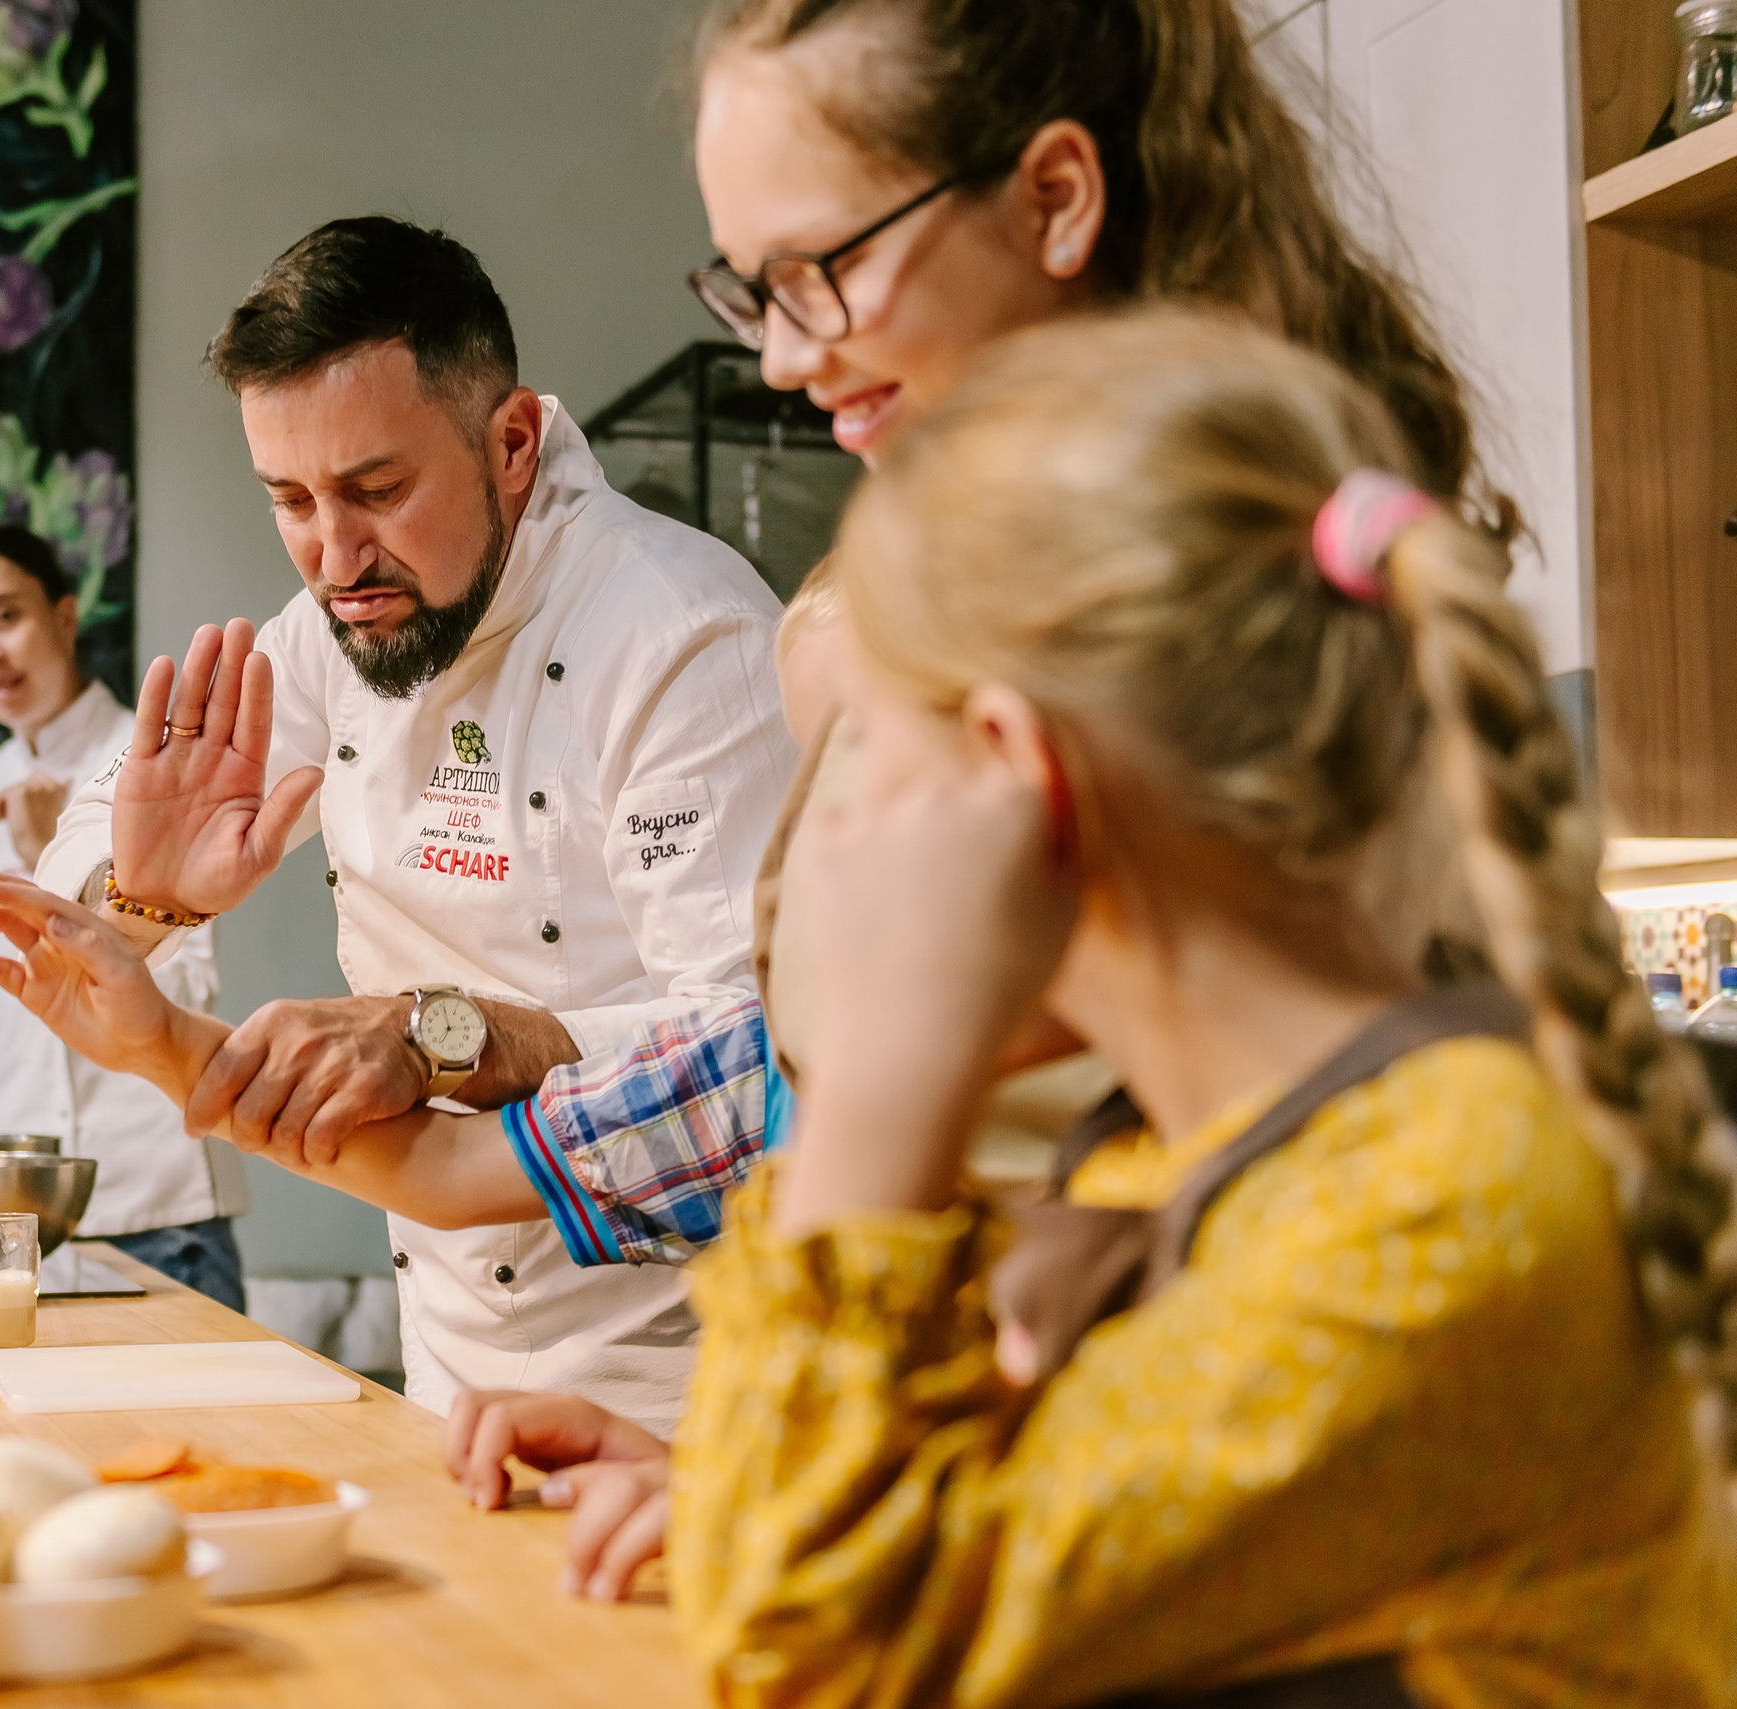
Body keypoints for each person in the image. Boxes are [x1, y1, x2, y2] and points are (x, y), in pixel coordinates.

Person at [430, 0, 1532, 1600]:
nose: (780, 350)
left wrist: (820, 1498)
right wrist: (786, 1470)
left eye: (824, 269)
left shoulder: (1236, 658)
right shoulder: (920, 606)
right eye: (748, 285)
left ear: (1058, 198)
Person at [683, 309, 1737, 1702]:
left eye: (861, 761)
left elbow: (813, 1656)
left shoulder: (1439, 1201)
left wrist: (882, 1076)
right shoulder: (1172, 1152)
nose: (831, 836)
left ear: (1018, 778)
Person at [33, 218, 797, 1434]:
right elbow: (67, 893)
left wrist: (442, 1035)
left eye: (376, 490)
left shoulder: (679, 635)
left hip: (685, 1397)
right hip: (448, 1380)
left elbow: (757, 1054)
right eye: (289, 499)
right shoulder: (332, 628)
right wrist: (147, 889)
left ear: (510, 442)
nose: (335, 558)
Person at [0, 525, 246, 1309]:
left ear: (63, 614)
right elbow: (11, 1006)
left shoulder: (162, 755)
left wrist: (47, 851)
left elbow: (186, 975)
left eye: (3, 616)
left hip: (157, 1205)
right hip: (13, 1221)